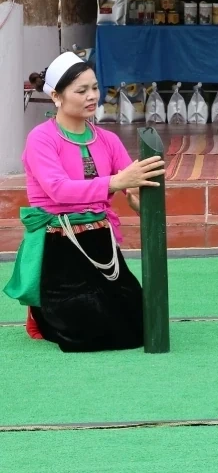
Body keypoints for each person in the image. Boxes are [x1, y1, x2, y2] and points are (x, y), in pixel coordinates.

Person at [4, 52, 164, 352]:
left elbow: (133, 185)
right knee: (87, 331)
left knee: (142, 324)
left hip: (102, 244)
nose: (92, 96)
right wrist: (116, 182)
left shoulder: (107, 140)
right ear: (56, 96)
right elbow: (59, 190)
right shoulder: (41, 139)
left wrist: (144, 201)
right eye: (81, 90)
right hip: (60, 247)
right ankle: (41, 309)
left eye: (94, 87)